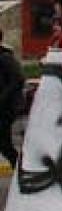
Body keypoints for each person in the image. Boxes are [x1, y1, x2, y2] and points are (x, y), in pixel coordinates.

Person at [0, 29, 22, 169]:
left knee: (4, 144)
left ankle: (20, 168)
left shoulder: (5, 57)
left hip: (4, 109)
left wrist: (3, 97)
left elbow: (17, 80)